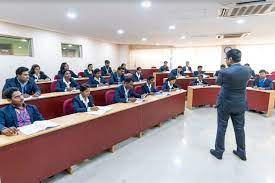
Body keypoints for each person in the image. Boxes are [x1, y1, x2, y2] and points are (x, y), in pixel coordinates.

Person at [210, 49, 251, 161]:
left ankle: (219, 152)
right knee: (240, 129)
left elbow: (218, 83)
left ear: (230, 59)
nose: (226, 61)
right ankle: (241, 152)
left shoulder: (224, 72)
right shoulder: (248, 70)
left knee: (221, 127)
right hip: (240, 104)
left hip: (225, 104)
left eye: (226, 59)